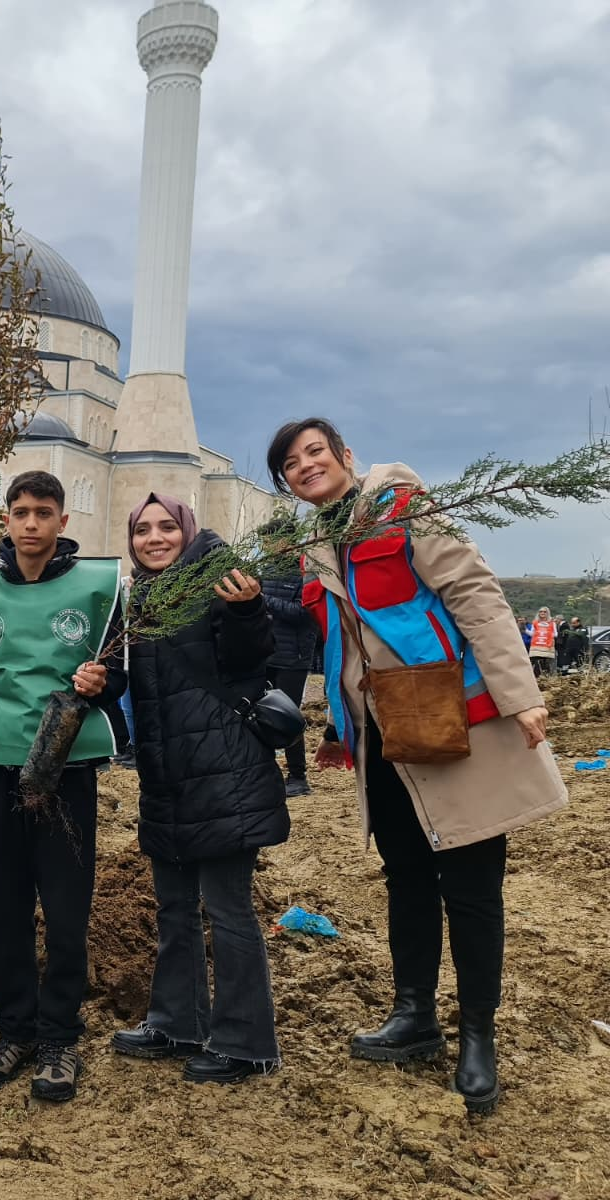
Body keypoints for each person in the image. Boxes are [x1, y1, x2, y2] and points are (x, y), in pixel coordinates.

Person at [269, 417, 566, 1114]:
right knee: (405, 876)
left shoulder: (401, 506)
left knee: (469, 883)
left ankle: (478, 1037)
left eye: (316, 451)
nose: (306, 465)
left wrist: (520, 694)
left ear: (345, 455)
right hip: (380, 736)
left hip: (449, 719)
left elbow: (473, 592)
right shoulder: (314, 542)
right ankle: (415, 1016)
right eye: (290, 462)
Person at [0, 470, 127, 1103]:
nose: (30, 523)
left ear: (62, 521)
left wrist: (100, 684)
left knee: (67, 906)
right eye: (19, 511)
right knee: (4, 905)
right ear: (5, 520)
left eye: (42, 512)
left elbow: (120, 676)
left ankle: (59, 1038)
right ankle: (16, 1031)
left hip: (66, 764)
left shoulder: (100, 589)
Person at [109, 494, 288, 1084]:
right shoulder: (143, 599)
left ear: (187, 531)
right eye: (141, 529)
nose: (153, 538)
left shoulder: (220, 580)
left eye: (165, 527)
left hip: (224, 770)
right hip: (168, 774)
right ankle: (177, 1020)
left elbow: (250, 654)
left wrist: (246, 610)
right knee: (174, 906)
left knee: (228, 908)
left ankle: (246, 1042)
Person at [258, 513, 319, 797]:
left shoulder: (305, 571)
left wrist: (264, 599)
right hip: (265, 655)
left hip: (293, 658)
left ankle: (298, 776)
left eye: (269, 541)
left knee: (289, 716)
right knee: (260, 715)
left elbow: (304, 613)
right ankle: (266, 772)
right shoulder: (264, 569)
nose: (266, 546)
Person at [524, 607, 557, 678]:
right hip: (536, 647)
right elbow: (532, 633)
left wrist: (547, 634)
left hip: (547, 647)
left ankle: (546, 679)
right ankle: (537, 679)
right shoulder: (535, 622)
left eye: (544, 612)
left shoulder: (552, 623)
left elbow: (555, 634)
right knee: (536, 665)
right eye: (541, 611)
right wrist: (525, 630)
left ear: (547, 613)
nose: (542, 613)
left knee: (546, 665)